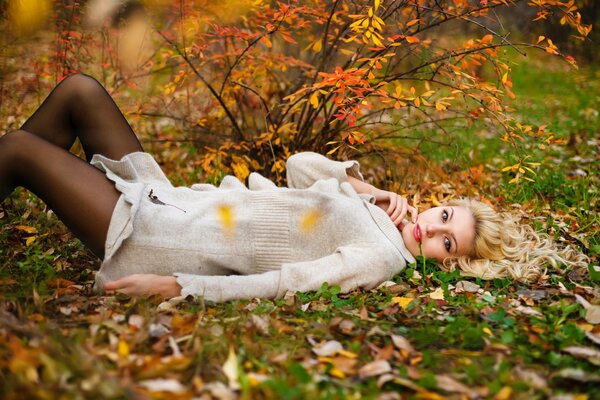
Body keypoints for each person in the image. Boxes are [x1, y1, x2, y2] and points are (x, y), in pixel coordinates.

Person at [0, 74, 587, 301]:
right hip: (173, 199)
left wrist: (179, 285)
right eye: (442, 214)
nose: (428, 226)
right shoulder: (381, 216)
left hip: (158, 235)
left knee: (20, 151)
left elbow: (287, 281)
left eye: (445, 242)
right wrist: (367, 190)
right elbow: (301, 168)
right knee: (81, 91)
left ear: (444, 265)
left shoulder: (380, 257)